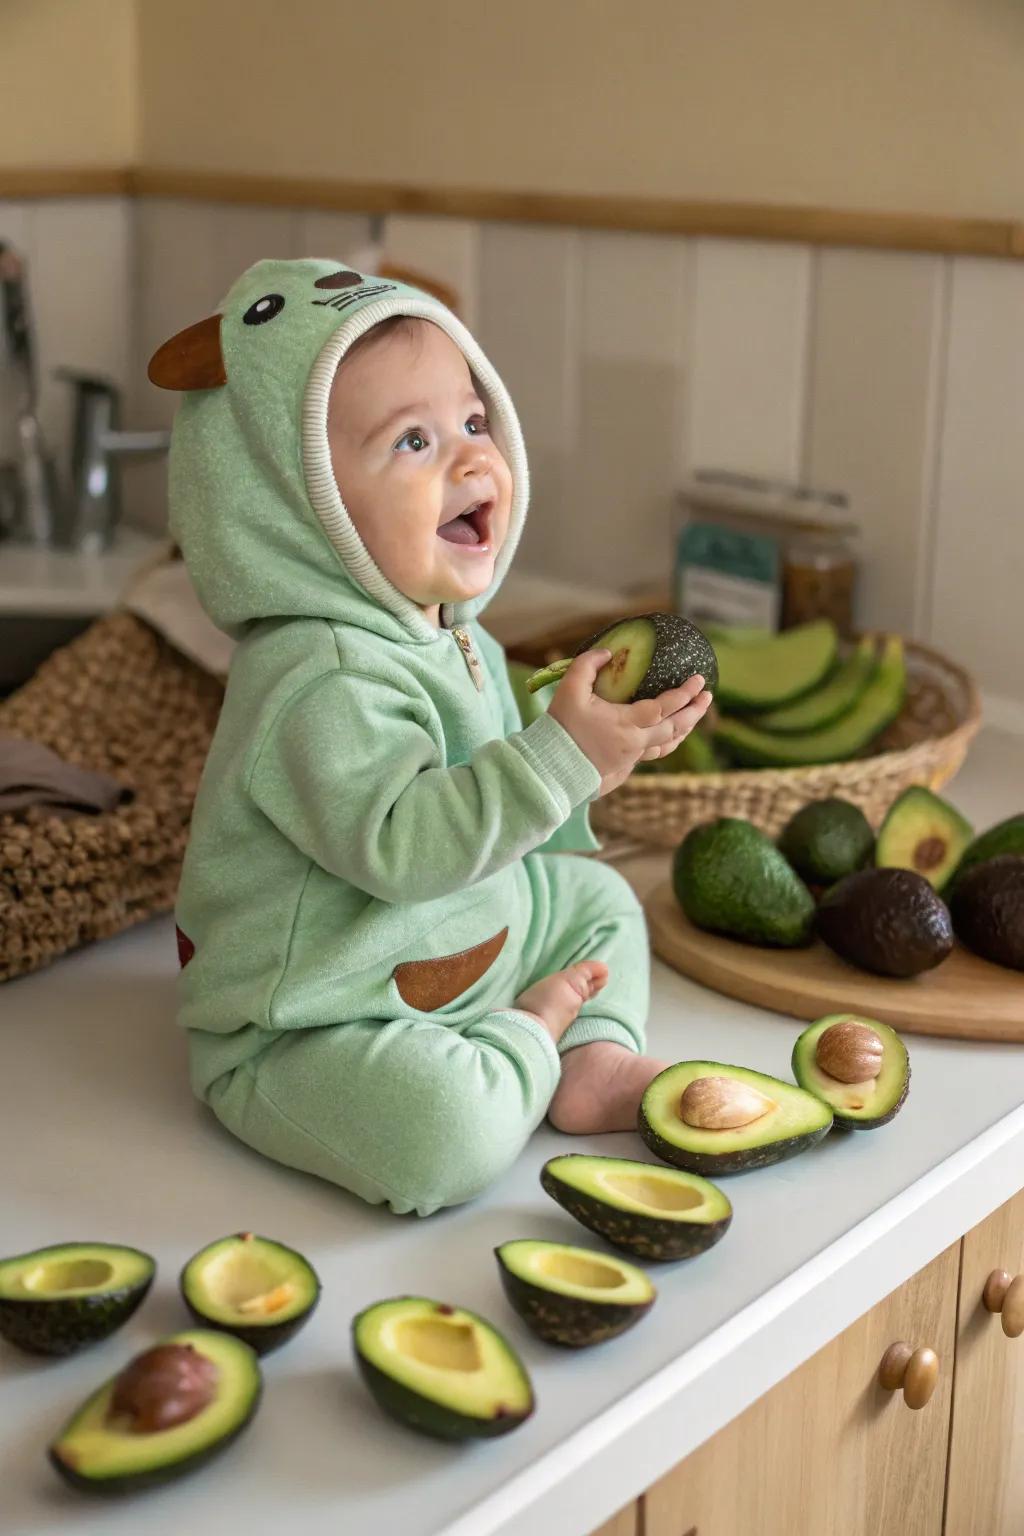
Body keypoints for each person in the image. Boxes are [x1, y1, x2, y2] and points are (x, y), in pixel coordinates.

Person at [148, 259, 712, 1217]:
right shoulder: (317, 678)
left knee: (600, 898)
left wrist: (592, 744)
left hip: (465, 936)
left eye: (474, 422)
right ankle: (530, 1042)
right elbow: (406, 844)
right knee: (444, 1138)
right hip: (315, 1015)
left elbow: (492, 778)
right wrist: (559, 759)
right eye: (413, 440)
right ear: (295, 508)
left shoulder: (444, 626)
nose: (470, 457)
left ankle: (591, 1056)